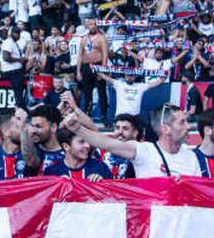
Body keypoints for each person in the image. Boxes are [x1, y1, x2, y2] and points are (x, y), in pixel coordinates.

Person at [65, 103, 202, 177]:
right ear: (165, 129)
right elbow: (106, 143)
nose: (188, 127)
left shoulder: (191, 157)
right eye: (182, 122)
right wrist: (77, 128)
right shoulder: (145, 151)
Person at [76, 18, 109, 123]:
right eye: (91, 24)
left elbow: (105, 55)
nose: (93, 26)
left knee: (101, 91)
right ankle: (87, 114)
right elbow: (80, 55)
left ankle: (104, 115)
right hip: (86, 67)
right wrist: (78, 71)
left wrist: (102, 70)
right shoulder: (84, 39)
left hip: (98, 66)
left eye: (95, 24)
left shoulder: (101, 38)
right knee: (87, 92)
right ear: (87, 26)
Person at [42, 130, 107, 181]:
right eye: (81, 142)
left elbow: (110, 192)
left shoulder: (101, 168)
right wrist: (57, 184)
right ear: (66, 146)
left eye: (88, 141)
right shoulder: (51, 171)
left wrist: (102, 182)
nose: (88, 146)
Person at [21, 104, 67, 173]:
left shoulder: (68, 153)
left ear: (53, 127)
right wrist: (23, 128)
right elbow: (30, 161)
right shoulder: (31, 148)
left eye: (38, 126)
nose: (33, 131)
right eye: (32, 126)